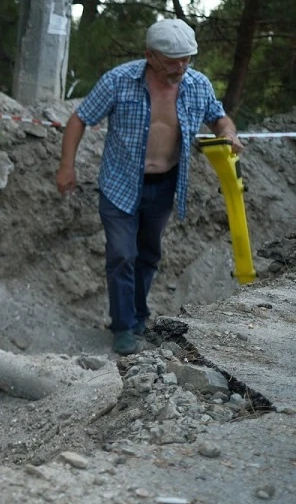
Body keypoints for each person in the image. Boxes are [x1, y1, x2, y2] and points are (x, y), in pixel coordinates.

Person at [55, 19, 244, 355]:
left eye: (187, 58)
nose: (182, 66)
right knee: (122, 254)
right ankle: (123, 327)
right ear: (150, 56)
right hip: (120, 182)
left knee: (148, 253)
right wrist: (67, 165)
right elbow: (80, 118)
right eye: (173, 60)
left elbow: (219, 116)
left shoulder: (197, 85)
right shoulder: (118, 81)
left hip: (164, 184)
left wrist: (228, 132)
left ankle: (139, 316)